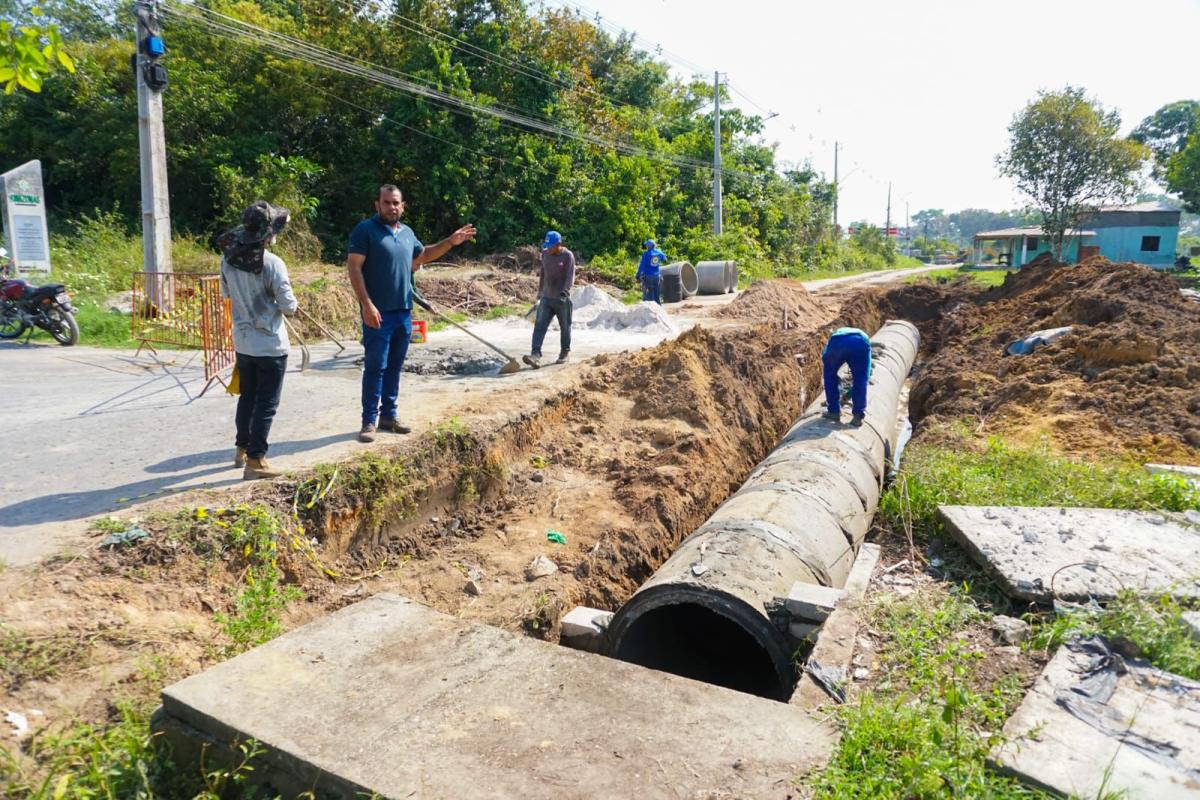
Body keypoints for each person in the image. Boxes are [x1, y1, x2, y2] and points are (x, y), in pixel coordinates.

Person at [347, 184, 475, 443]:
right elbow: (354, 268)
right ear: (377, 205)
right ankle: (369, 420)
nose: (392, 207)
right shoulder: (365, 231)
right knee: (375, 367)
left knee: (394, 367)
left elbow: (424, 255)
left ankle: (389, 416)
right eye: (387, 202)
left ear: (402, 206)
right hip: (378, 313)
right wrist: (366, 304)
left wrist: (450, 242)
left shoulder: (407, 233)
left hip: (403, 312)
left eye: (396, 203)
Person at [217, 201, 298, 480]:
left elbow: (227, 295)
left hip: (243, 342)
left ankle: (241, 448)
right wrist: (278, 304)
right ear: (267, 235)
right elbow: (289, 306)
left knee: (248, 397)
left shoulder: (227, 260)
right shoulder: (273, 264)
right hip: (270, 345)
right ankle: (256, 459)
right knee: (266, 403)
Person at [524, 230, 575, 368]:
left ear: (559, 244)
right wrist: (540, 292)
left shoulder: (567, 256)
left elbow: (570, 276)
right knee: (539, 326)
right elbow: (543, 273)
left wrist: (565, 290)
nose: (549, 248)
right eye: (548, 246)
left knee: (565, 327)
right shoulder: (545, 254)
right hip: (547, 297)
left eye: (551, 246)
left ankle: (564, 352)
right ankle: (535, 355)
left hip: (562, 299)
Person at [821, 326, 872, 426]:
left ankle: (833, 411)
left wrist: (842, 393)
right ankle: (858, 416)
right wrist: (848, 394)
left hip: (837, 342)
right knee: (860, 378)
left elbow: (825, 360)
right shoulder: (864, 339)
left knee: (829, 375)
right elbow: (865, 376)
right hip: (859, 343)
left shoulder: (835, 336)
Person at [636, 239, 666, 304]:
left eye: (646, 246)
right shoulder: (659, 252)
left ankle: (649, 306)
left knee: (648, 292)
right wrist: (658, 251)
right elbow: (664, 258)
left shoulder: (646, 254)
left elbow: (642, 265)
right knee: (656, 292)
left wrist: (638, 275)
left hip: (648, 276)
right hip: (657, 275)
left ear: (648, 246)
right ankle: (658, 306)